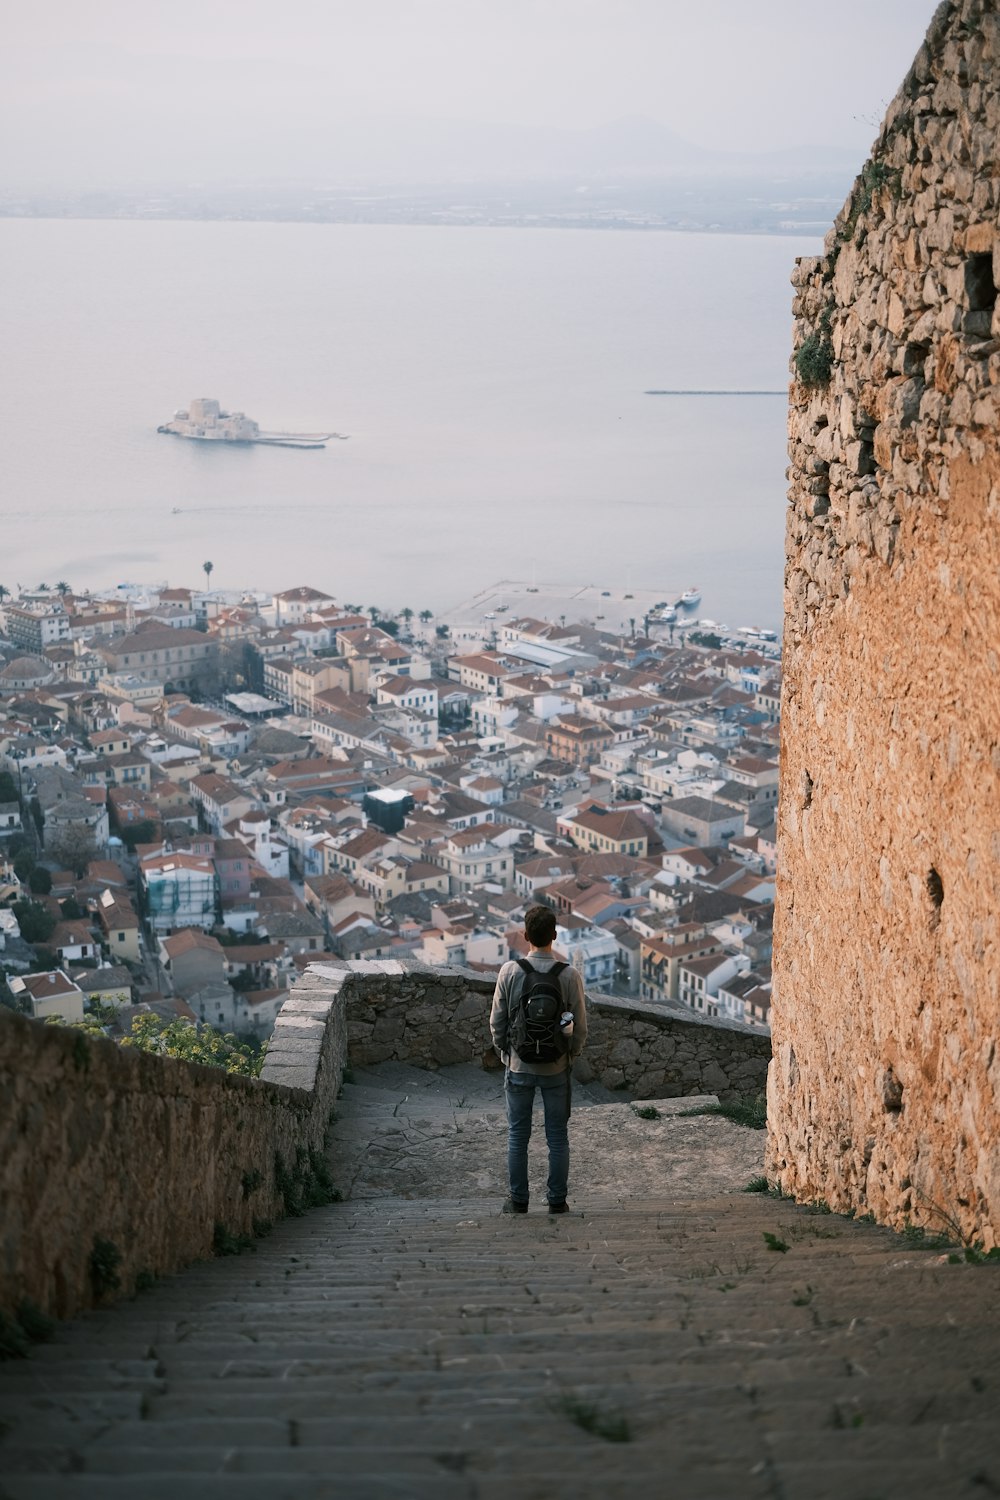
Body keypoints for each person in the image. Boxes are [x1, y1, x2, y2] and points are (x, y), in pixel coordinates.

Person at [490, 904, 587, 1215]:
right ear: (554, 936)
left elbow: (497, 1022)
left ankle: (519, 1201)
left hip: (518, 1065)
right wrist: (570, 1055)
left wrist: (506, 1053)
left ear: (525, 935)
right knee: (557, 1136)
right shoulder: (569, 975)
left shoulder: (509, 971)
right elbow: (580, 1028)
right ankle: (557, 1201)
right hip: (556, 1067)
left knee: (518, 1135)